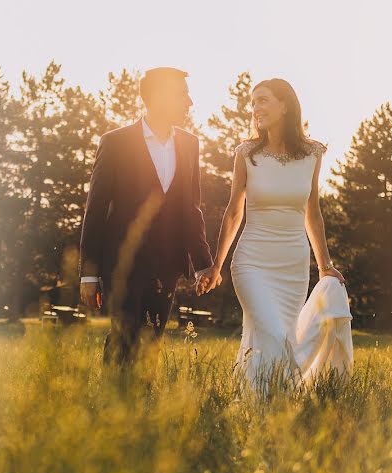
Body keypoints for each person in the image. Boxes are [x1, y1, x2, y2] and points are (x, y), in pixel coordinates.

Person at [199, 78, 354, 397]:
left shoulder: (313, 153)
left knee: (275, 336)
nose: (255, 108)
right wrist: (216, 265)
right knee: (271, 332)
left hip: (292, 267)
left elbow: (313, 212)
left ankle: (261, 405)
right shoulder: (246, 154)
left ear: (285, 106)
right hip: (252, 263)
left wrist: (325, 265)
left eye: (263, 100)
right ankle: (277, 394)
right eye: (253, 103)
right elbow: (233, 213)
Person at [78, 67, 216, 383]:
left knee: (151, 340)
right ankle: (114, 405)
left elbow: (191, 210)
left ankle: (142, 409)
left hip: (167, 264)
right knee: (124, 334)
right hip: (122, 263)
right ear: (157, 97)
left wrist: (203, 265)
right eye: (182, 94)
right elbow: (95, 210)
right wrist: (89, 272)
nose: (190, 102)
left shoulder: (190, 144)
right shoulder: (115, 142)